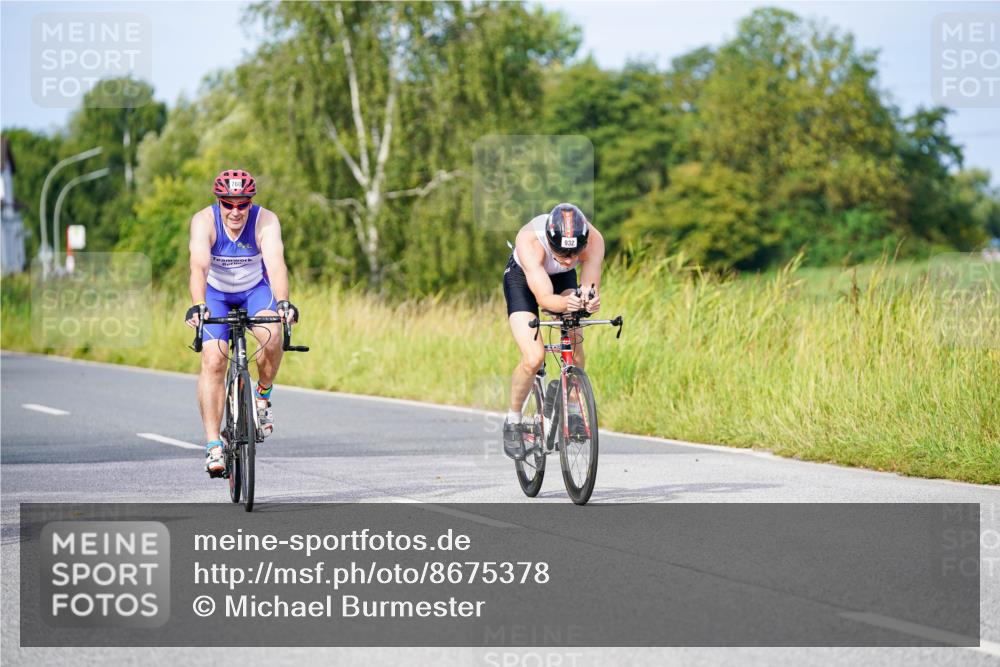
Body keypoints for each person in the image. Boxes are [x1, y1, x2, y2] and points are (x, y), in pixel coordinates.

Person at [183, 169, 298, 475]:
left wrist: (284, 303)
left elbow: (275, 262)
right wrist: (199, 306)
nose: (235, 211)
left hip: (254, 291)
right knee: (213, 360)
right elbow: (199, 265)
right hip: (216, 293)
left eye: (242, 204)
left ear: (250, 203)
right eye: (228, 204)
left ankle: (262, 397)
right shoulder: (203, 221)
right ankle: (212, 445)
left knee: (273, 335)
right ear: (219, 202)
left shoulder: (266, 220)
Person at [501, 202, 604, 460]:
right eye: (562, 253)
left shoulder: (594, 240)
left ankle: (572, 408)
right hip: (524, 280)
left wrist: (588, 301)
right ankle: (513, 420)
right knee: (534, 357)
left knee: (575, 338)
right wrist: (563, 304)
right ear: (549, 239)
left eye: (574, 255)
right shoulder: (530, 242)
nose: (569, 260)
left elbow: (588, 287)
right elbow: (545, 299)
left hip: (561, 279)